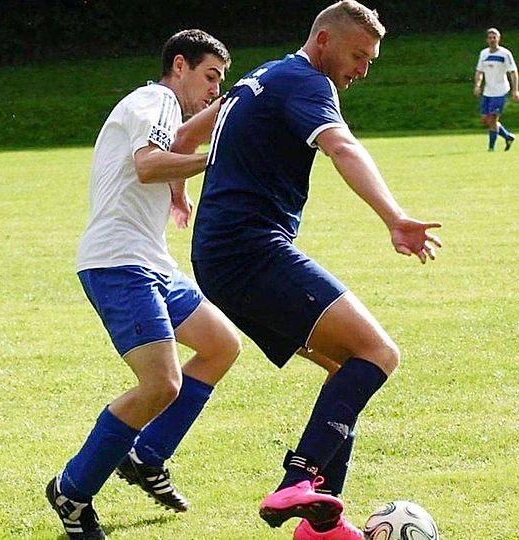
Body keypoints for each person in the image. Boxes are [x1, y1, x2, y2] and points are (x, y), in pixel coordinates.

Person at [191, 2, 442, 539]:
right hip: (250, 250)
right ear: (324, 41)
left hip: (220, 258)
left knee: (346, 368)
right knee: (378, 353)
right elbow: (342, 147)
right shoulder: (306, 82)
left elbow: (196, 136)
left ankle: (321, 528)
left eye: (371, 60)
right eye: (358, 55)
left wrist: (171, 179)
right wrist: (394, 218)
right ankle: (297, 480)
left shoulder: (261, 77)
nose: (363, 69)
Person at [45, 29, 241, 540]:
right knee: (162, 383)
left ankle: (145, 456)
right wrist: (215, 162)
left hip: (150, 261)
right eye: (210, 77)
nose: (214, 90)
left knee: (221, 346)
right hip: (117, 262)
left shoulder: (168, 114)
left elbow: (168, 153)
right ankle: (72, 489)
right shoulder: (154, 98)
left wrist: (179, 191)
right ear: (180, 65)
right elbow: (148, 163)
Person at [474, 27, 519, 151]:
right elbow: (479, 71)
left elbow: (513, 72)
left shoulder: (505, 54)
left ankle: (491, 148)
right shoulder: (483, 53)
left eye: (494, 37)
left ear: (499, 39)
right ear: (487, 40)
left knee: (493, 118)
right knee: (485, 120)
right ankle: (508, 136)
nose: (492, 40)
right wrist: (478, 85)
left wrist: (515, 90)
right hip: (488, 91)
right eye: (490, 38)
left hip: (500, 90)